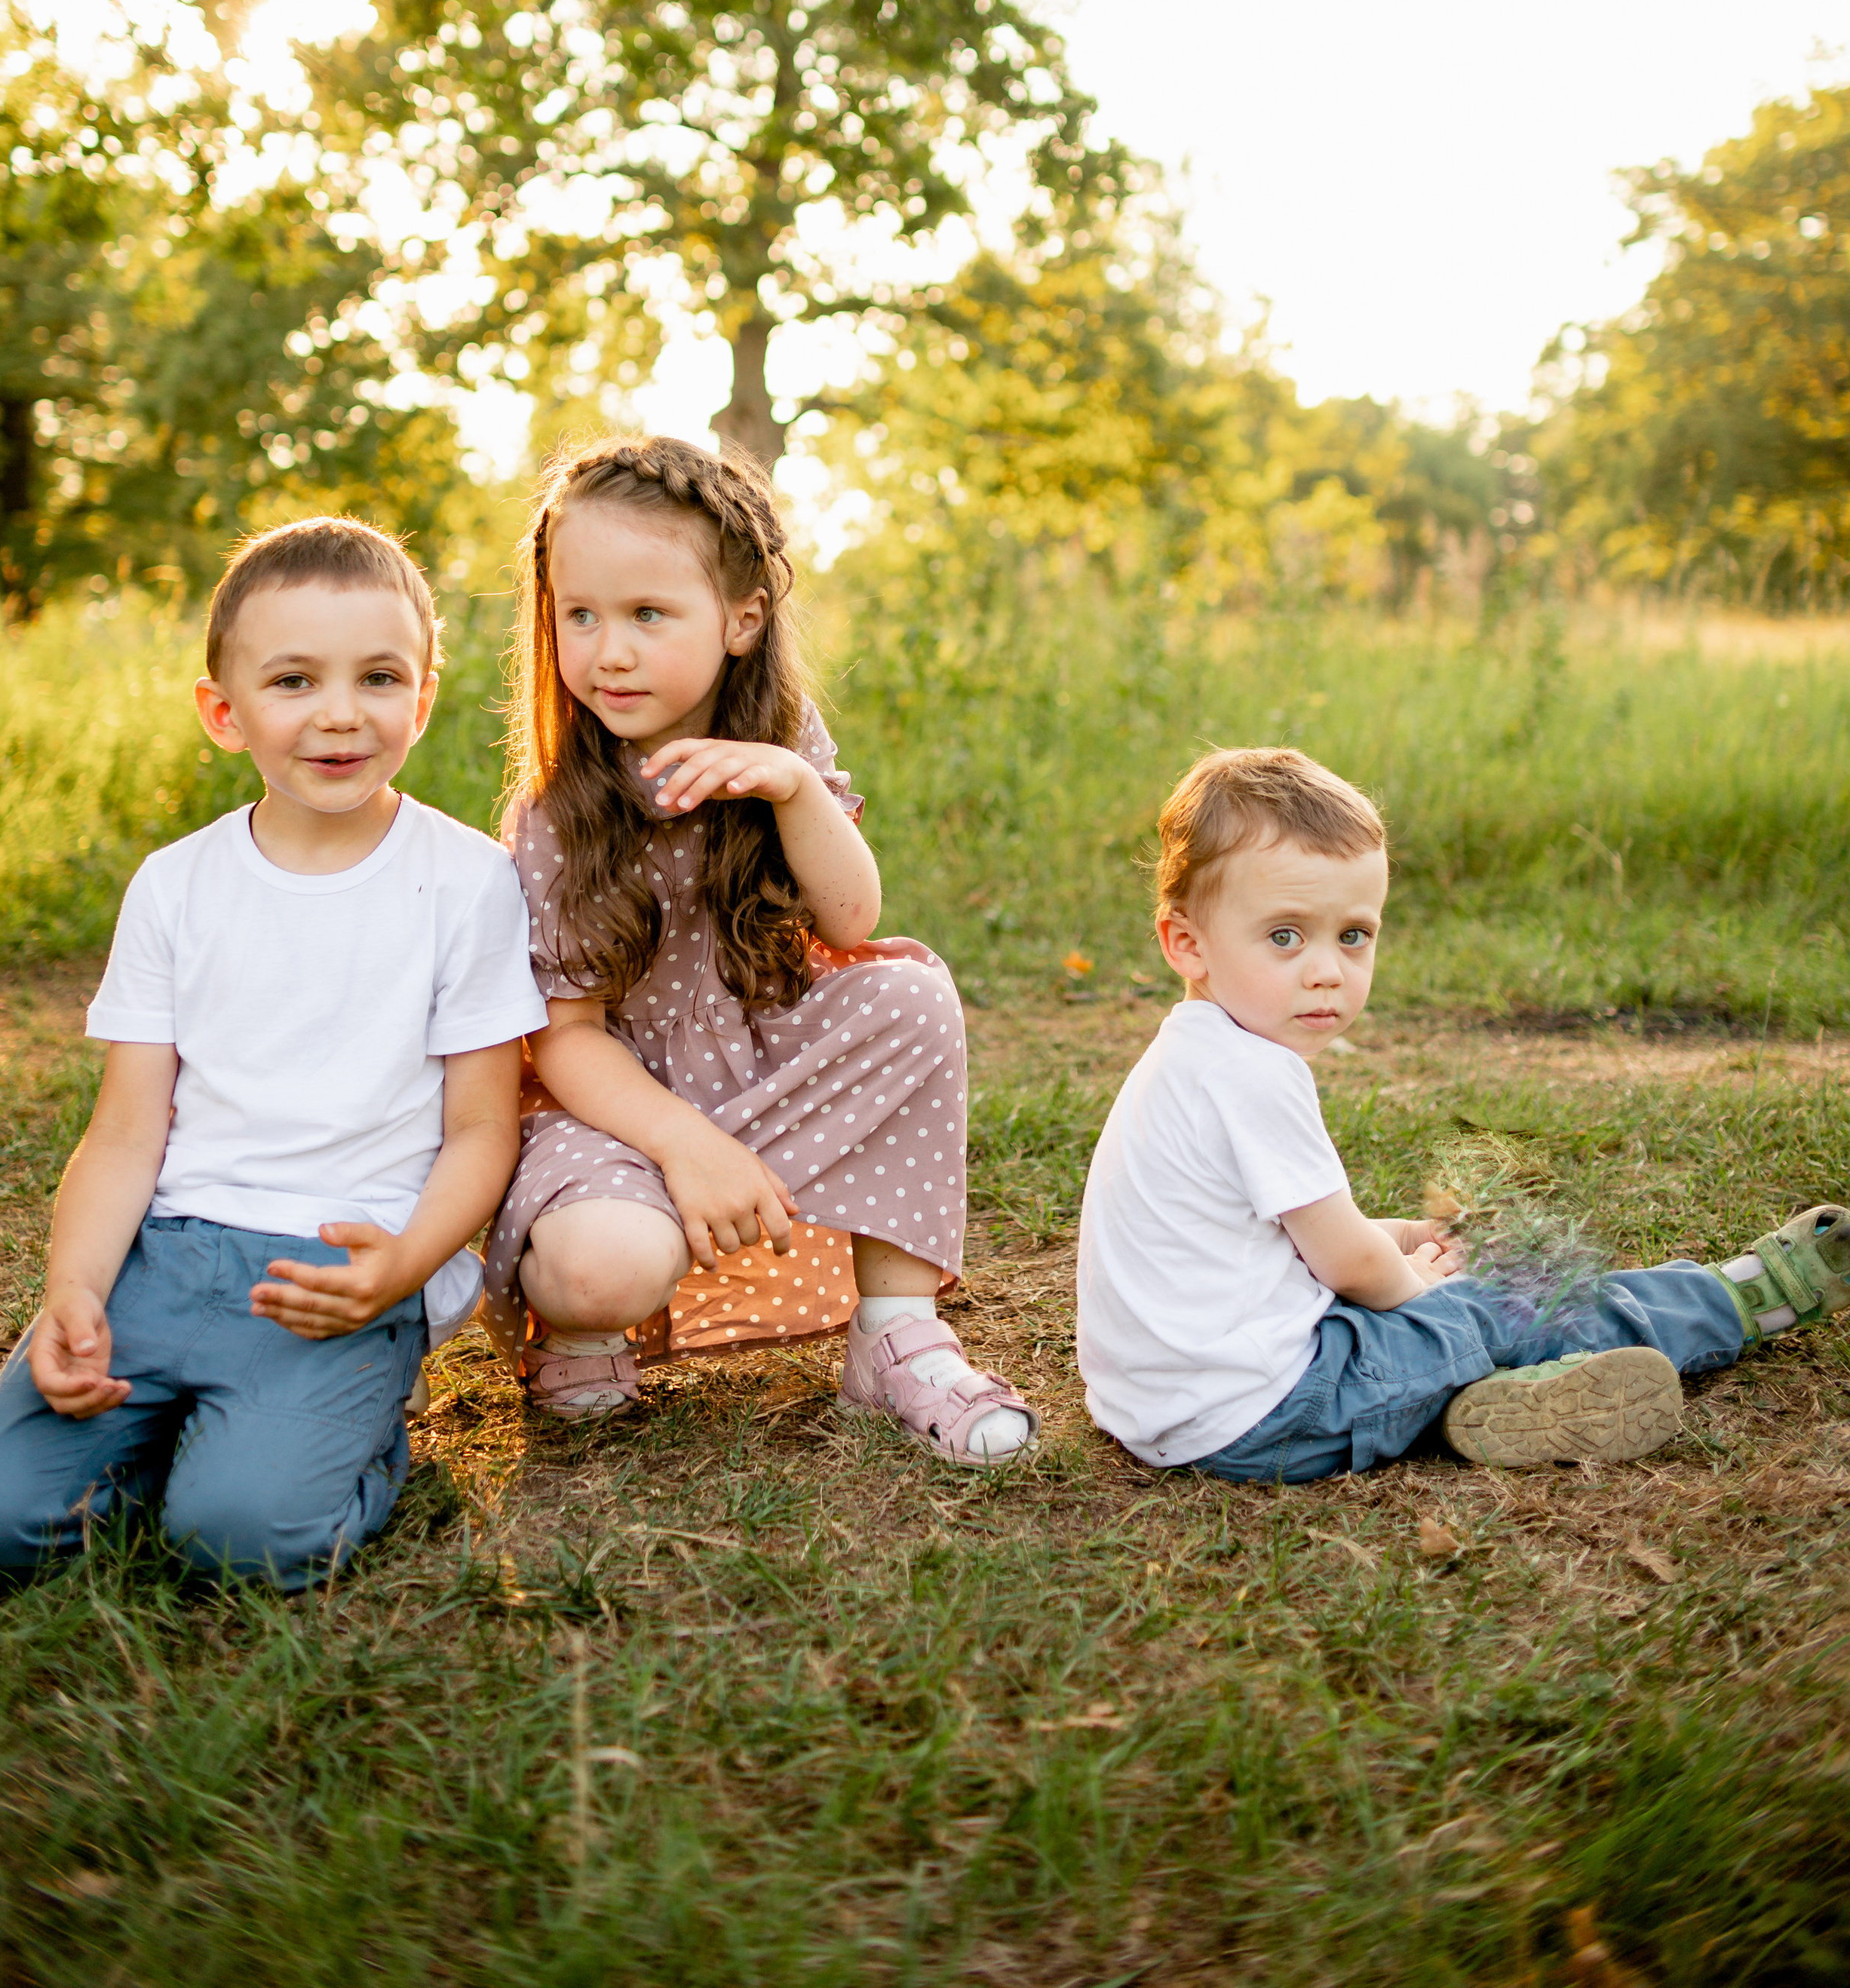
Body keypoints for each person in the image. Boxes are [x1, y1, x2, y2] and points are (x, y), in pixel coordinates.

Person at [0, 519, 540, 1588]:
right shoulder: (176, 885)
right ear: (226, 712)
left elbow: (485, 1128)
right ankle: (194, 1433)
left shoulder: (466, 880)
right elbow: (125, 1134)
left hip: (340, 1264)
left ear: (422, 700)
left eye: (379, 677)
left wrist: (404, 1267)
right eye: (295, 680)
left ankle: (351, 1430)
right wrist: (75, 1290)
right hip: (164, 1259)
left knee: (241, 1539)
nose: (341, 713)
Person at [483, 434, 1037, 1468]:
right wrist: (685, 1147)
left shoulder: (784, 739)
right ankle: (585, 1333)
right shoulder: (558, 811)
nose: (608, 651)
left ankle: (896, 1335)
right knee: (601, 1267)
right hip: (613, 1116)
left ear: (740, 621)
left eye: (648, 614)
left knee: (909, 995)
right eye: (580, 615)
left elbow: (851, 920)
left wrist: (792, 785)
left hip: (761, 1071)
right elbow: (565, 1040)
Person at [1076, 745, 1847, 1483]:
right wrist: (1419, 1286)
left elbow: (1278, 1240)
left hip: (1163, 1409)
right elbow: (1348, 1267)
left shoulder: (1186, 1058)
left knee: (1458, 1300)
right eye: (1285, 936)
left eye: (1353, 936)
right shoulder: (1252, 1075)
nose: (1327, 971)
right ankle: (1738, 1299)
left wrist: (1404, 1237)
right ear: (1187, 943)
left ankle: (1497, 1401)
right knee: (1499, 1306)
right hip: (1272, 1415)